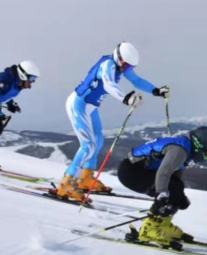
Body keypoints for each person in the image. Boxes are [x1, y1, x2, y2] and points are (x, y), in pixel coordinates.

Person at [54, 42, 170, 201]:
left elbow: (136, 80)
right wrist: (126, 98)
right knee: (87, 145)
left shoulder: (119, 66)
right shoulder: (108, 64)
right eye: (125, 65)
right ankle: (66, 183)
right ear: (118, 57)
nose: (125, 69)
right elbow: (109, 84)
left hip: (90, 107)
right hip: (78, 105)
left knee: (98, 140)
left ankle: (85, 178)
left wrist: (155, 91)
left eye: (129, 67)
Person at [118, 126, 207, 248]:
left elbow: (175, 174)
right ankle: (149, 229)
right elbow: (164, 172)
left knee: (175, 188)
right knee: (169, 191)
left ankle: (163, 225)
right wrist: (161, 194)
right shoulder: (180, 150)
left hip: (140, 170)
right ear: (199, 146)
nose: (206, 157)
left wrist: (179, 196)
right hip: (131, 173)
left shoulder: (185, 148)